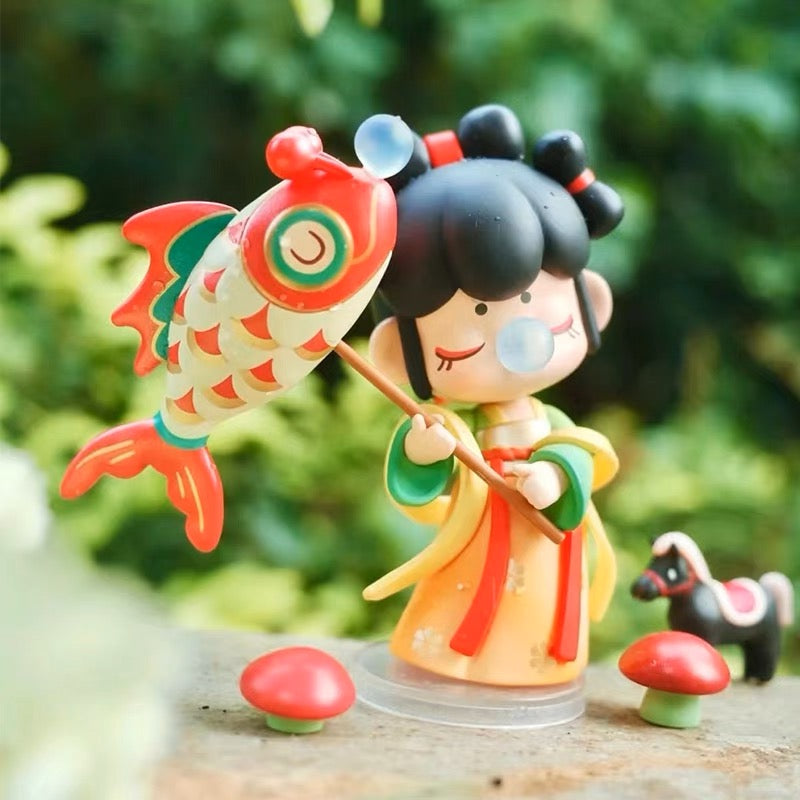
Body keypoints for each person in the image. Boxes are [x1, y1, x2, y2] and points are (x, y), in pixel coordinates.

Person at [363, 105, 624, 686]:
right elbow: (422, 482)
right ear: (397, 352)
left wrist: (555, 475)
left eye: (531, 298)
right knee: (459, 609)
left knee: (537, 621)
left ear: (591, 300)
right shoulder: (459, 430)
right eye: (477, 312)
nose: (515, 334)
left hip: (544, 555)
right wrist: (426, 452)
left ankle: (534, 669)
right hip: (477, 549)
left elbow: (582, 450)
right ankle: (448, 662)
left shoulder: (551, 423)